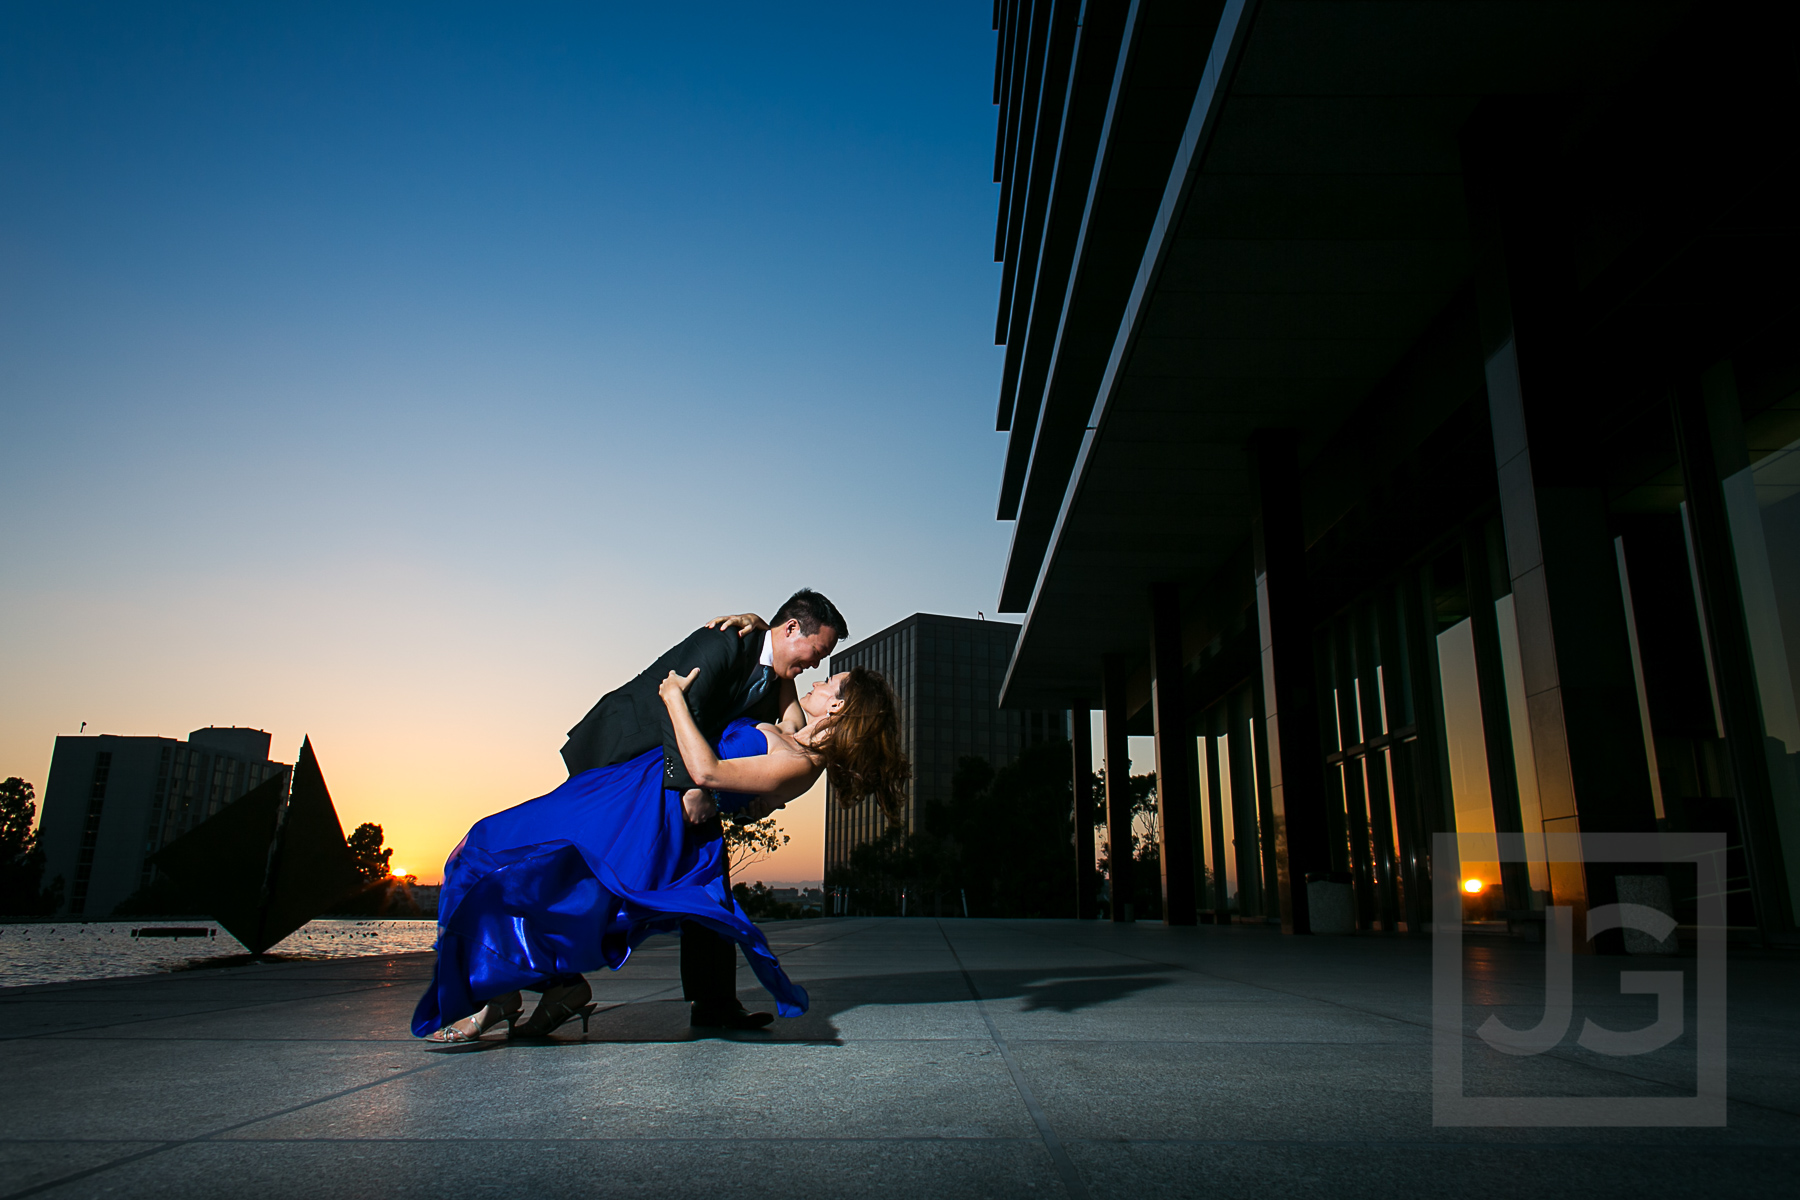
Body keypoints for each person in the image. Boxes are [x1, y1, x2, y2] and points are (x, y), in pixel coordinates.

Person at [412, 657, 908, 1043]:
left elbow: (709, 772)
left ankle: (507, 994)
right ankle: (532, 991)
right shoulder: (792, 731)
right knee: (516, 862)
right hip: (628, 787)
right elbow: (785, 676)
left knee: (511, 859)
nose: (817, 682)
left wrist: (674, 698)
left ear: (839, 707)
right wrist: (758, 628)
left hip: (644, 815)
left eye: (829, 683)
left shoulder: (797, 763)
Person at [549, 589, 845, 1031]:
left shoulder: (774, 675)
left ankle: (714, 1004)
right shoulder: (724, 641)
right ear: (791, 630)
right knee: (580, 875)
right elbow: (677, 705)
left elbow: (774, 735)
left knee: (709, 884)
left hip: (670, 781)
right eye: (818, 651)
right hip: (623, 756)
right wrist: (691, 789)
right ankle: (551, 980)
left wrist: (749, 799)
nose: (817, 666)